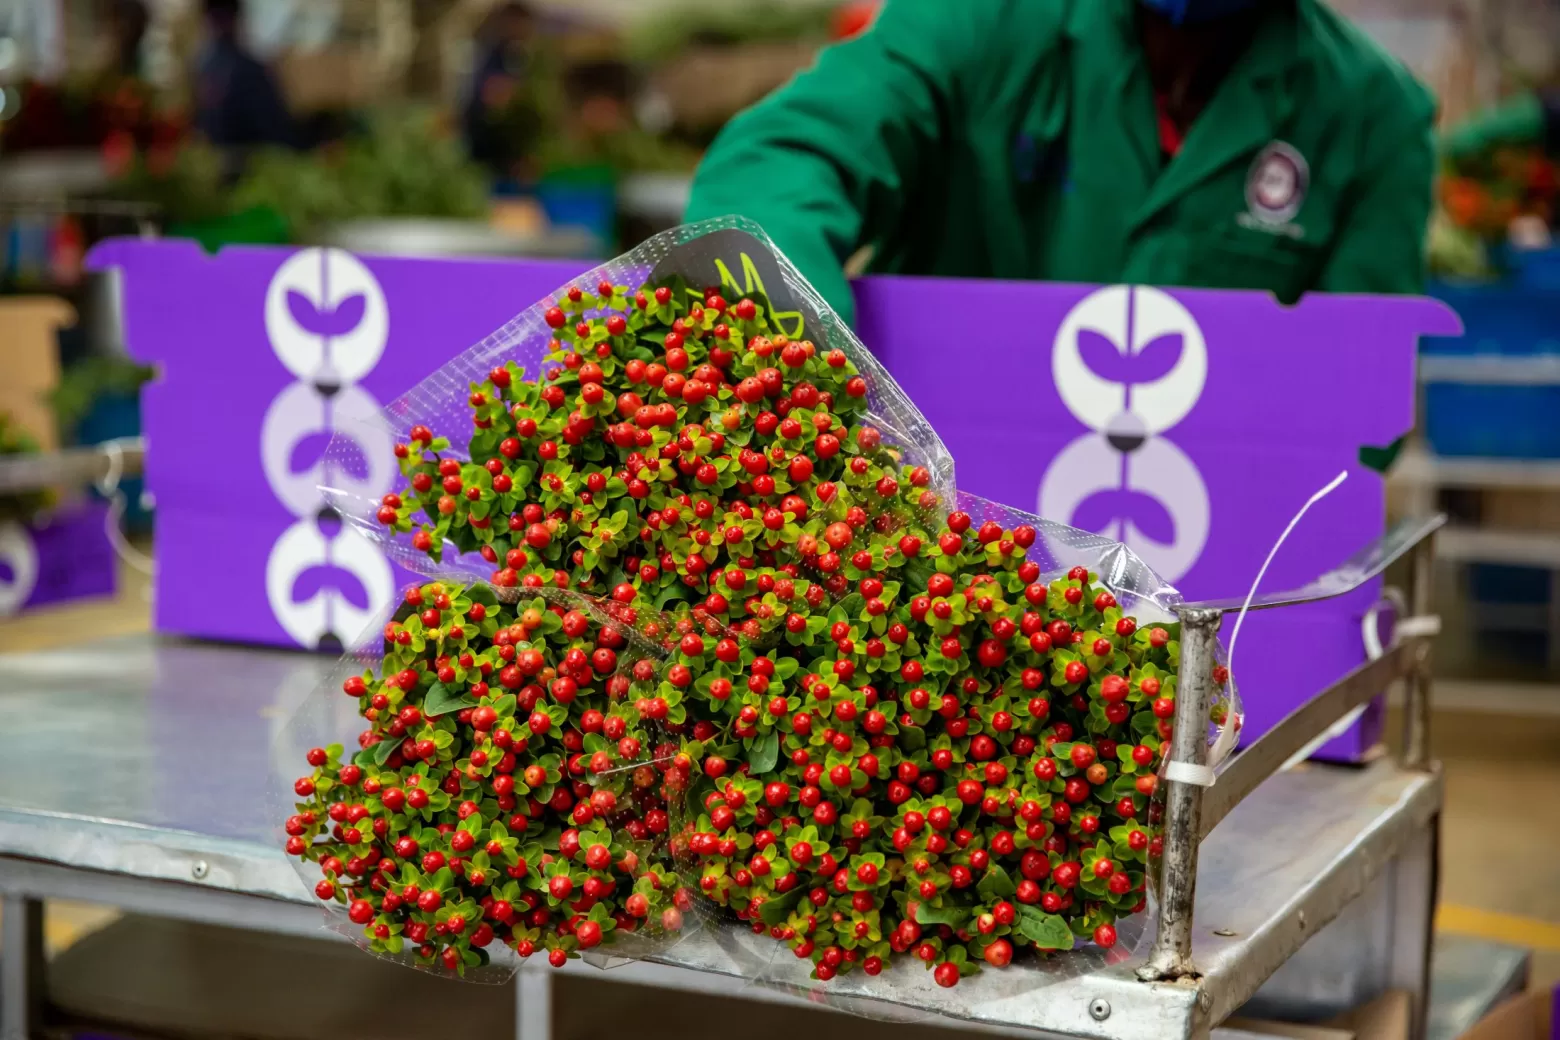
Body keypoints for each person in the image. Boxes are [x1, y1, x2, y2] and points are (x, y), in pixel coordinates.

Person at [685, 0, 1437, 325]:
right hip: (932, 546)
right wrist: (795, 352)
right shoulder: (983, 23)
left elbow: (1358, 397)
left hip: (1208, 567)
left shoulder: (1372, 116)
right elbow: (787, 158)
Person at [193, 0, 297, 155]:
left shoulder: (246, 68)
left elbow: (275, 127)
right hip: (234, 160)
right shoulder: (206, 67)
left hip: (249, 159)